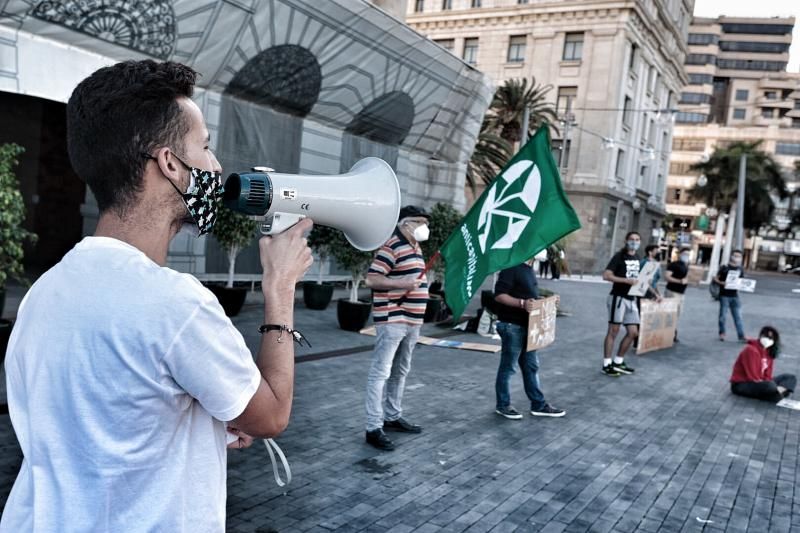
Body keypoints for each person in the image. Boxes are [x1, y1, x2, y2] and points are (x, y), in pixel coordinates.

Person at [1, 61, 313, 532]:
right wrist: (281, 286)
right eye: (205, 147)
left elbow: (87, 423)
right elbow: (270, 416)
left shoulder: (42, 292)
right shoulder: (175, 303)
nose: (216, 167)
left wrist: (195, 431)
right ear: (169, 162)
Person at [363, 205, 430, 451]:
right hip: (393, 319)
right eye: (420, 222)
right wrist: (402, 283)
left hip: (413, 321)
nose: (425, 227)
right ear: (406, 224)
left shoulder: (415, 247)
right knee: (381, 372)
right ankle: (373, 427)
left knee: (401, 371)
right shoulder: (392, 245)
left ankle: (392, 416)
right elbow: (372, 279)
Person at [493, 259, 565, 419]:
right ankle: (503, 405)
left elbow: (528, 296)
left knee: (531, 366)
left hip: (528, 327)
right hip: (512, 325)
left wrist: (547, 300)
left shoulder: (528, 269)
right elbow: (499, 295)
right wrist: (521, 303)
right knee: (508, 367)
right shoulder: (511, 266)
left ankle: (538, 404)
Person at [601, 231, 641, 377]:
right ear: (626, 240)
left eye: (637, 239)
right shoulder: (619, 256)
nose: (634, 241)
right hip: (618, 298)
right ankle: (606, 364)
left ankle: (618, 361)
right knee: (613, 331)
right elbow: (606, 275)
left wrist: (653, 294)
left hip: (632, 299)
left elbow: (640, 279)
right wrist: (625, 280)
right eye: (632, 239)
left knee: (633, 332)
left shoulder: (637, 257)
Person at [730, 326, 795, 403]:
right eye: (765, 336)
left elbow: (768, 375)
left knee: (790, 377)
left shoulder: (769, 352)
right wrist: (770, 385)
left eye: (770, 338)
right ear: (761, 336)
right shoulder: (751, 350)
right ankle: (777, 394)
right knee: (770, 386)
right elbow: (753, 377)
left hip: (761, 382)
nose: (767, 339)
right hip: (742, 384)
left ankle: (775, 394)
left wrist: (770, 384)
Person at [714, 249, 746, 342]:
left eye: (739, 256)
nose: (737, 258)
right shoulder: (724, 268)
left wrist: (742, 285)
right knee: (722, 316)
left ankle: (741, 335)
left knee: (738, 317)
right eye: (735, 255)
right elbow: (715, 278)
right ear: (731, 256)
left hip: (735, 295)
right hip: (724, 295)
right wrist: (722, 283)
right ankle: (722, 333)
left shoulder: (740, 269)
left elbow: (742, 281)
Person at [664, 246, 691, 342]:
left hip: (681, 293)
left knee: (677, 314)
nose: (686, 256)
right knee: (670, 313)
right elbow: (667, 277)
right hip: (672, 291)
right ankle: (669, 334)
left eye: (688, 254)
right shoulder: (673, 264)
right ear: (679, 254)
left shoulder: (686, 265)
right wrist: (679, 281)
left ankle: (672, 332)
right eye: (684, 254)